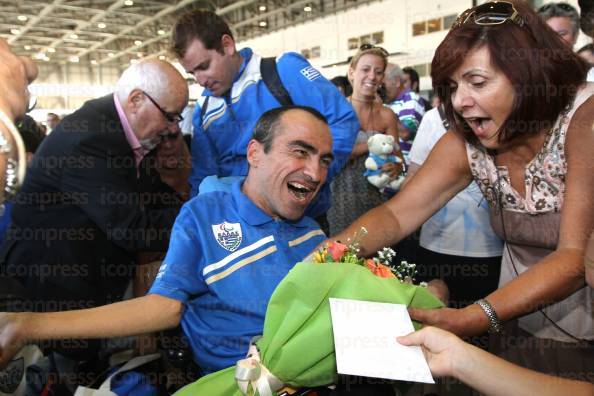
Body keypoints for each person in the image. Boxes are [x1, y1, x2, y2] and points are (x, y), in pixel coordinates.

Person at [332, 0, 594, 379]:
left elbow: (572, 258)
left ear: (530, 76)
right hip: (518, 324)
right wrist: (328, 254)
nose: (459, 101)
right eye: (453, 86)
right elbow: (396, 214)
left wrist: (474, 316)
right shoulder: (467, 142)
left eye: (478, 82)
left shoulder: (584, 120)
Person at [0, 106, 331, 376]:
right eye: (300, 152)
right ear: (255, 153)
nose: (315, 173)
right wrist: (28, 325)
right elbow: (162, 307)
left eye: (325, 160)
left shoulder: (314, 234)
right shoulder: (203, 217)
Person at [0, 60, 187, 361]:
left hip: (84, 276)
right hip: (54, 287)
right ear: (136, 100)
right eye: (169, 116)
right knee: (62, 372)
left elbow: (151, 198)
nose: (173, 128)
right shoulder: (91, 139)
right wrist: (200, 218)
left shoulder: (120, 132)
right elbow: (135, 229)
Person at [172, 10, 358, 228]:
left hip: (303, 221)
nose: (200, 80)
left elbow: (343, 121)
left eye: (204, 66)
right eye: (192, 73)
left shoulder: (283, 71)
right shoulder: (203, 111)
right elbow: (202, 177)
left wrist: (310, 178)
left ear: (227, 45)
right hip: (243, 230)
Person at [407, 105, 503, 314]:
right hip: (435, 246)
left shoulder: (502, 118)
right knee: (431, 322)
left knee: (485, 323)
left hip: (490, 250)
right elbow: (412, 177)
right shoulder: (433, 119)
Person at [326, 45, 402, 235]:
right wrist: (370, 145)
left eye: (378, 72)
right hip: (338, 201)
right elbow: (332, 155)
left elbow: (398, 158)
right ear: (351, 73)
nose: (372, 76)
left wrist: (395, 167)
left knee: (376, 259)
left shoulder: (387, 115)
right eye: (365, 69)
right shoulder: (336, 111)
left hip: (375, 199)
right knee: (341, 256)